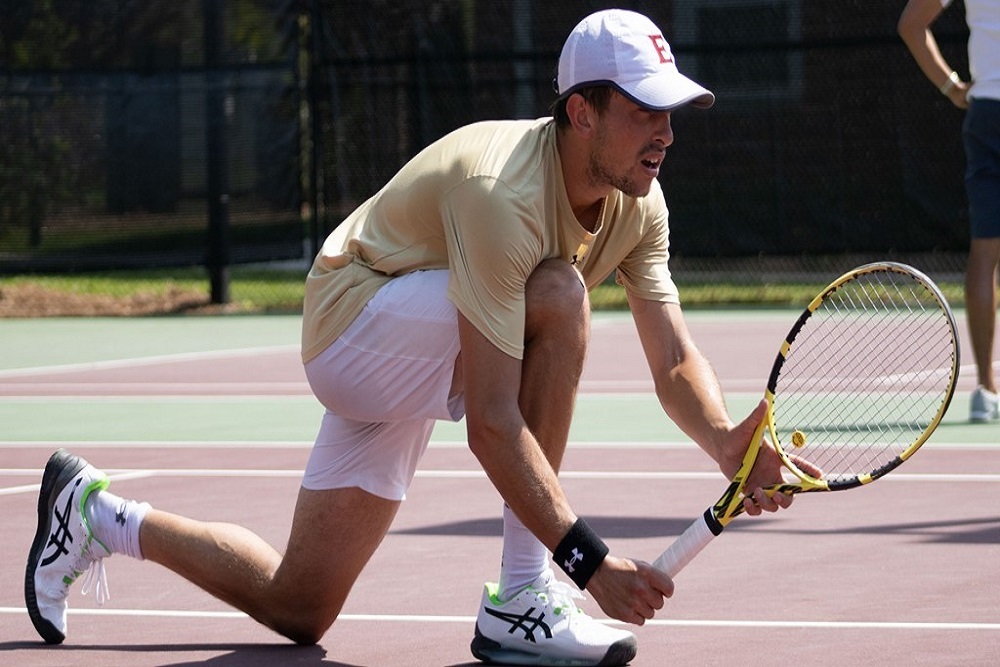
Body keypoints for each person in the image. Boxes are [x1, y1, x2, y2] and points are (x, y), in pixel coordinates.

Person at [25, 9, 801, 666]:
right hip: (351, 323)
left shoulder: (641, 201)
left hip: (415, 336)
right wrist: (586, 562)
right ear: (582, 112)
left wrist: (729, 443)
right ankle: (524, 599)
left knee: (300, 606)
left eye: (670, 112)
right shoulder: (504, 196)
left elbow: (672, 359)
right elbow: (494, 425)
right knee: (560, 294)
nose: (665, 133)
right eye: (644, 110)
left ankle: (94, 513)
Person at [899, 0, 1000, 422]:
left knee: (985, 252)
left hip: (987, 112)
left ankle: (986, 391)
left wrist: (952, 86)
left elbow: (911, 25)